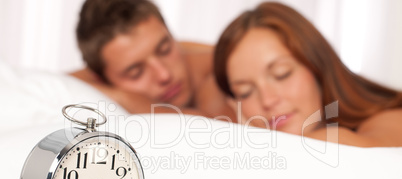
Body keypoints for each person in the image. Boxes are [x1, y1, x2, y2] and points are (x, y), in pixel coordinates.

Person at [214, 2, 402, 147]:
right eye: (245, 92)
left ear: (316, 65)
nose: (268, 100)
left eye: (282, 74)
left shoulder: (390, 118)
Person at [71, 0, 236, 121]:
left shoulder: (216, 75)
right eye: (136, 73)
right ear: (102, 80)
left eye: (165, 50)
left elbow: (216, 130)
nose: (164, 75)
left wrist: (126, 100)